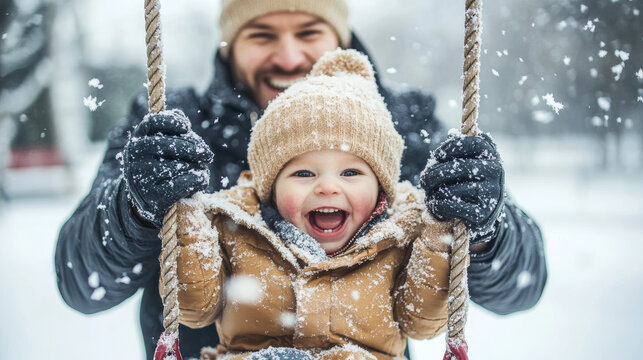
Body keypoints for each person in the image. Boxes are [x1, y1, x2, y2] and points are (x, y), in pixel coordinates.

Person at [55, 1, 547, 359]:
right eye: (262, 35)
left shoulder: (398, 127)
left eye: (309, 32)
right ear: (230, 43)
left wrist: (484, 228)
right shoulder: (175, 127)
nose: (288, 58)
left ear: (341, 39)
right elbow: (82, 283)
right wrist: (137, 207)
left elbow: (520, 287)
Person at [162, 48, 454, 360]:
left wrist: (437, 240)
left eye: (351, 172)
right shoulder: (233, 227)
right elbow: (193, 309)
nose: (327, 186)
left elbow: (423, 323)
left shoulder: (401, 235)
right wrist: (189, 220)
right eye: (303, 173)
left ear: (382, 186)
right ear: (271, 188)